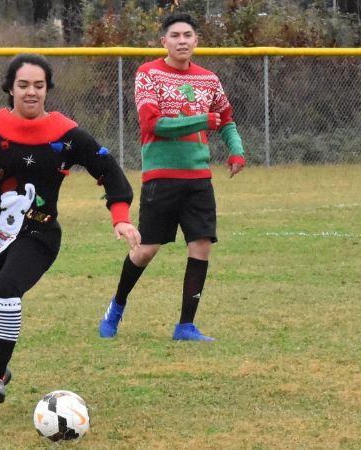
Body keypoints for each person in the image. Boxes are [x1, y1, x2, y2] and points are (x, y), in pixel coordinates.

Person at [0, 54, 141, 410]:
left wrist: (120, 216)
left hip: (39, 233)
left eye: (39, 86)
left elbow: (108, 169)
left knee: (7, 290)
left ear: (48, 89)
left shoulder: (66, 134)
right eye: (23, 85)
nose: (31, 92)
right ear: (10, 89)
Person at [98, 13, 245, 341]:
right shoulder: (147, 74)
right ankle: (116, 307)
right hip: (161, 178)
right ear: (163, 41)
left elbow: (225, 119)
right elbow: (154, 124)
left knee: (202, 245)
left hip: (199, 179)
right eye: (175, 35)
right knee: (146, 250)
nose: (182, 40)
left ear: (196, 40)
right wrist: (200, 120)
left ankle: (186, 326)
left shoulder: (209, 79)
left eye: (188, 35)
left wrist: (236, 150)